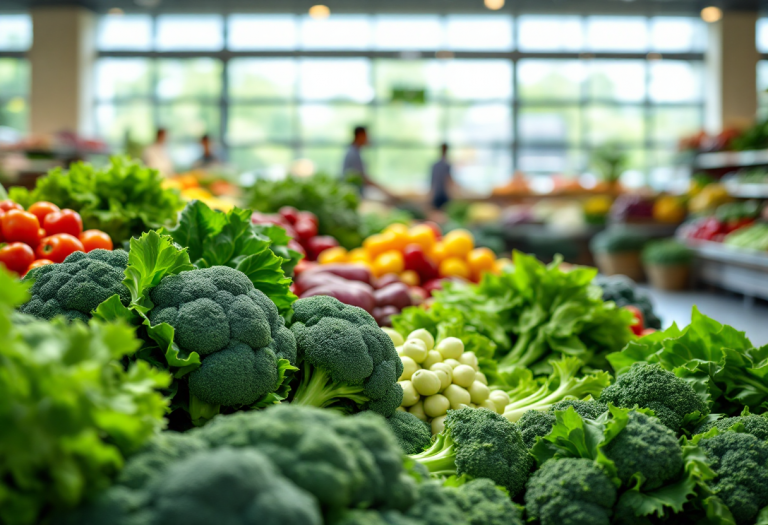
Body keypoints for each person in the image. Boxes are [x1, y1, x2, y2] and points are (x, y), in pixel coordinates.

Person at [342, 126, 396, 200]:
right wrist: (385, 190)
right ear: (360, 136)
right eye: (366, 136)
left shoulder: (355, 151)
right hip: (354, 193)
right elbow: (363, 178)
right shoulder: (353, 154)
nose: (368, 139)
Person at [430, 143, 454, 209]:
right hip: (441, 194)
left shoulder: (436, 165)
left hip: (441, 193)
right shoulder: (445, 165)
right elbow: (448, 180)